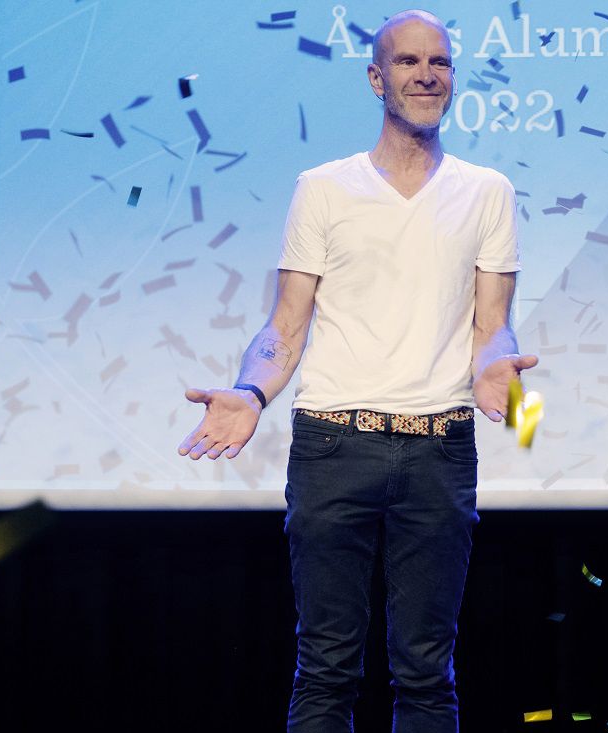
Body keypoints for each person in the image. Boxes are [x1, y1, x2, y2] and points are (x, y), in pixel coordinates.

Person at [176, 10, 537, 732]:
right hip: (334, 444)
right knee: (326, 667)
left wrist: (503, 375)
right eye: (407, 62)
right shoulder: (323, 188)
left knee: (427, 671)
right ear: (378, 78)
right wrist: (249, 392)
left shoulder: (488, 189)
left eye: (439, 62)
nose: (426, 73)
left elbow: (493, 325)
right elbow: (286, 323)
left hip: (440, 447)